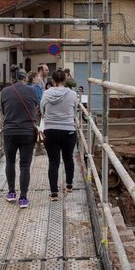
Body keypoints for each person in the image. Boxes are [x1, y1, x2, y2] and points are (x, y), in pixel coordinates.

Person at [0, 69, 39, 208]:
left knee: (10, 162)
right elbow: (35, 107)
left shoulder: (5, 91)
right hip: (27, 131)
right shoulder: (32, 91)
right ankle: (23, 198)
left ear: (13, 78)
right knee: (25, 165)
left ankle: (11, 193)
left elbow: (3, 110)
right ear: (25, 78)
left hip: (9, 131)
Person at [41, 69, 79, 201]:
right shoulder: (73, 94)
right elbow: (75, 110)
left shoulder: (46, 93)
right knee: (68, 158)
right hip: (68, 130)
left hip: (50, 130)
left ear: (53, 81)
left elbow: (42, 110)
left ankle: (54, 193)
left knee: (53, 162)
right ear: (65, 80)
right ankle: (69, 185)